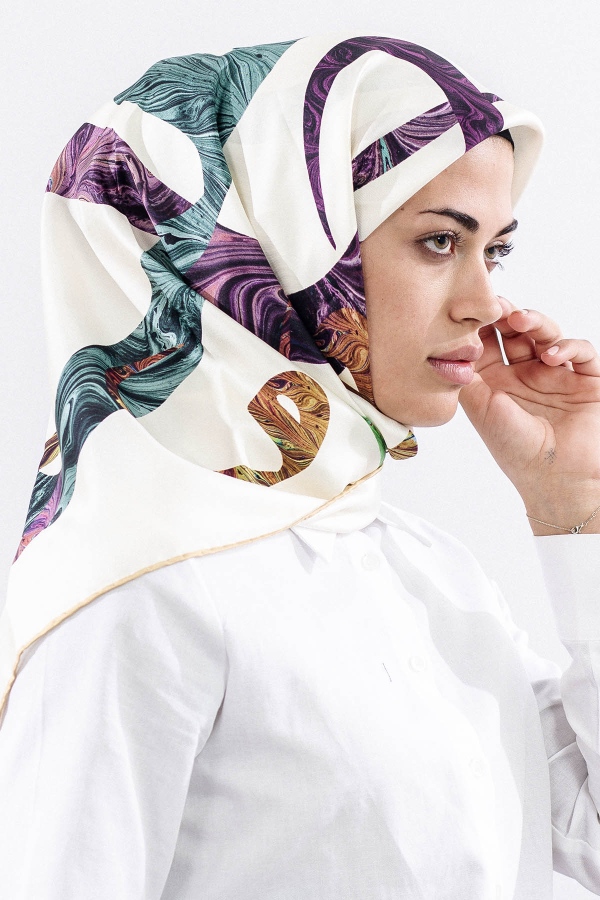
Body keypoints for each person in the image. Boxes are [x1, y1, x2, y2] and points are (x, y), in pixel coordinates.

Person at [1, 32, 600, 900]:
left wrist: (573, 502)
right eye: (440, 242)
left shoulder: (429, 571)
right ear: (279, 245)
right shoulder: (136, 591)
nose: (484, 303)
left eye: (494, 250)